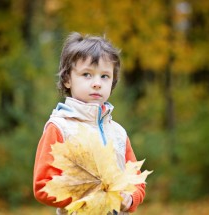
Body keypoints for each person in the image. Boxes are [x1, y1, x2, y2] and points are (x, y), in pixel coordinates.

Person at [33, 32, 146, 215]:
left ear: (112, 81)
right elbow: (43, 185)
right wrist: (87, 196)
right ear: (68, 79)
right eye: (87, 74)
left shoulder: (118, 133)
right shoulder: (60, 127)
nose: (96, 83)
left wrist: (130, 198)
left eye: (104, 76)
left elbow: (136, 180)